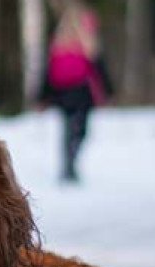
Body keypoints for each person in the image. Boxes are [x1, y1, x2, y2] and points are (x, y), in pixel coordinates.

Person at [39, 0, 113, 183]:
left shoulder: (62, 44)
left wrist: (43, 96)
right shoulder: (86, 45)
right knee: (79, 130)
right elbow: (99, 69)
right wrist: (109, 91)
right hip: (79, 92)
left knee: (69, 129)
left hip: (66, 93)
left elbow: (48, 73)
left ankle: (68, 163)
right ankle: (70, 164)